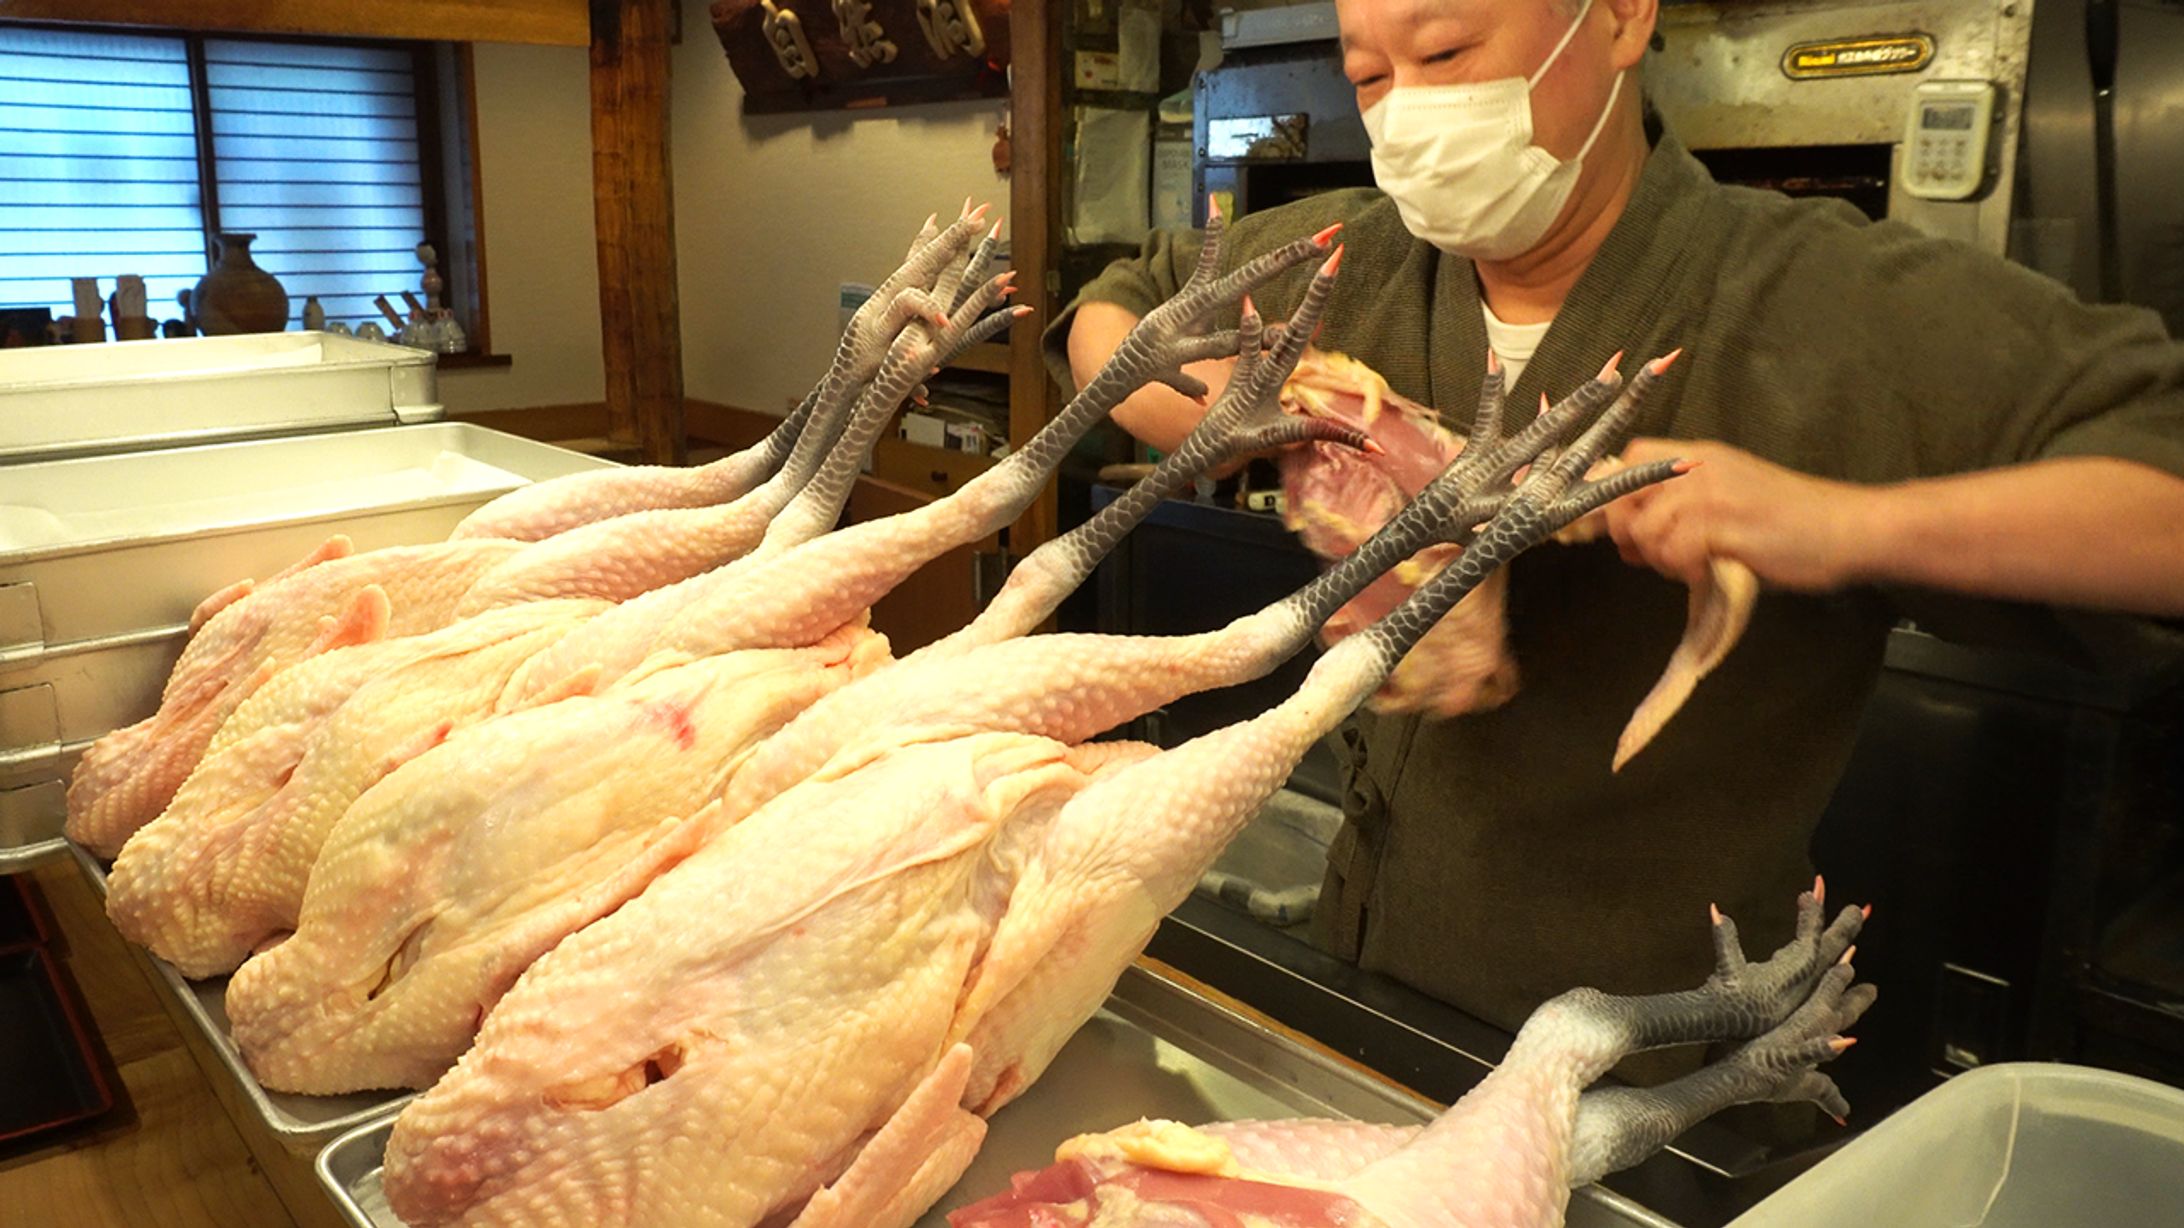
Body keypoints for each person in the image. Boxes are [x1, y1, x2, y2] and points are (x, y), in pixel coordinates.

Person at [1044, 0, 2184, 1064]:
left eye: (1447, 56)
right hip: (1374, 997)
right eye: (1371, 76)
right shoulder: (1356, 259)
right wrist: (1212, 425)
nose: (1410, 113)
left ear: (1624, 15)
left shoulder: (1821, 301)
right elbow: (1116, 313)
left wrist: (1837, 523)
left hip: (1652, 1066)